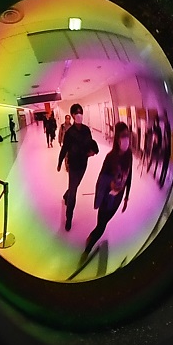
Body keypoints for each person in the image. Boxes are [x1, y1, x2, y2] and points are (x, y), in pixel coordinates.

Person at [80, 122, 133, 265]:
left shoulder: (129, 155)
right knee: (102, 225)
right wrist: (104, 191)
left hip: (118, 198)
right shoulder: (111, 157)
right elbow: (101, 177)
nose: (126, 139)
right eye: (123, 136)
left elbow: (129, 175)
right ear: (117, 138)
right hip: (107, 198)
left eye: (127, 135)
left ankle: (92, 237)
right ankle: (87, 250)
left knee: (103, 223)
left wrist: (126, 196)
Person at [57, 103, 98, 231]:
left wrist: (93, 151)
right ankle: (69, 218)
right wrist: (59, 163)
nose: (79, 115)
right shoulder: (69, 133)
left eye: (81, 112)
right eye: (77, 113)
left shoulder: (86, 130)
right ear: (73, 115)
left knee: (74, 186)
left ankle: (65, 195)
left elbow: (91, 144)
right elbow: (64, 149)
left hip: (83, 164)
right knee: (74, 191)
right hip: (73, 164)